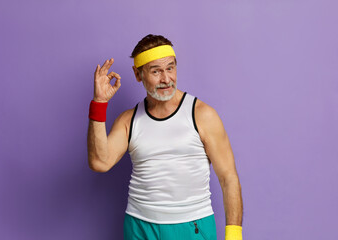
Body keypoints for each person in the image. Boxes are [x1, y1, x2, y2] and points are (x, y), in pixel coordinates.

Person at [87, 34, 243, 240]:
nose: (166, 79)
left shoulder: (202, 115)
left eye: (170, 68)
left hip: (191, 225)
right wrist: (99, 103)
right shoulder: (128, 120)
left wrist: (234, 236)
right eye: (156, 71)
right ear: (138, 74)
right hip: (139, 226)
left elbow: (228, 178)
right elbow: (100, 162)